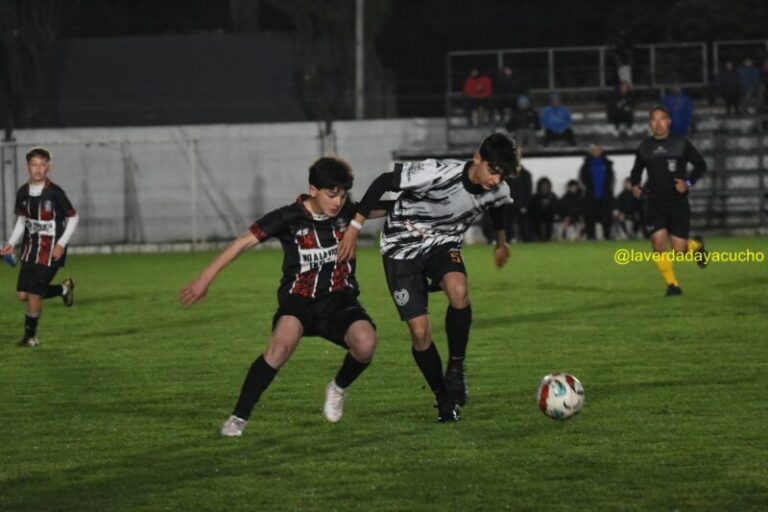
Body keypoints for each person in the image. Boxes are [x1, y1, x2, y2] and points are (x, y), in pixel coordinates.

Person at [179, 157, 381, 437]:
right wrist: (205, 278)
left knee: (366, 343)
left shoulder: (349, 214)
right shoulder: (288, 217)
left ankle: (337, 388)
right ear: (313, 190)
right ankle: (238, 418)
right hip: (298, 299)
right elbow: (243, 241)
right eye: (331, 195)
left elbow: (385, 207)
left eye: (343, 195)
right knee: (279, 348)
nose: (338, 202)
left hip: (339, 299)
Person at [337, 133, 520, 422]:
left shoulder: (497, 189)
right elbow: (384, 182)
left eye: (502, 174)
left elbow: (499, 206)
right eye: (493, 170)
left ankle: (456, 369)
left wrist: (500, 241)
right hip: (401, 247)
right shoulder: (436, 172)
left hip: (442, 245)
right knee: (420, 333)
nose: (496, 180)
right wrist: (354, 227)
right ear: (477, 158)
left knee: (459, 291)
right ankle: (443, 398)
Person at [1, 147, 78, 347]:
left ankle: (30, 337)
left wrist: (61, 244)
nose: (38, 169)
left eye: (43, 165)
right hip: (30, 249)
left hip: (51, 251)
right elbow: (22, 220)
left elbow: (73, 217)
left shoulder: (55, 193)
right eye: (34, 164)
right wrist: (11, 243)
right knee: (22, 295)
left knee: (34, 293)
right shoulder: (23, 193)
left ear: (48, 168)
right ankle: (63, 289)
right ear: (27, 167)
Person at [630, 105, 708, 296]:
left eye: (662, 118)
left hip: (677, 203)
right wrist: (635, 185)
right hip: (654, 203)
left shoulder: (681, 143)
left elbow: (701, 165)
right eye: (654, 119)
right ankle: (672, 285)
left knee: (679, 250)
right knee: (657, 242)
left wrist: (687, 182)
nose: (658, 123)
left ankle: (696, 247)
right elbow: (636, 170)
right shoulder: (645, 147)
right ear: (650, 123)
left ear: (669, 122)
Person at [579, 144, 615, 240]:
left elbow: (611, 180)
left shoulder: (607, 164)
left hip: (605, 197)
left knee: (606, 218)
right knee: (590, 218)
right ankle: (591, 237)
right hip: (591, 197)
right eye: (594, 150)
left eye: (598, 150)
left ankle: (607, 237)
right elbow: (582, 180)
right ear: (591, 152)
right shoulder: (586, 165)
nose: (596, 152)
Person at [529, 177, 558, 242]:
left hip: (549, 215)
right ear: (540, 186)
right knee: (536, 222)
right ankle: (538, 237)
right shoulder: (536, 196)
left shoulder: (552, 196)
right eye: (543, 185)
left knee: (549, 223)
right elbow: (532, 207)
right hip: (538, 215)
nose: (544, 187)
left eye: (546, 185)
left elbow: (556, 206)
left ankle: (548, 238)